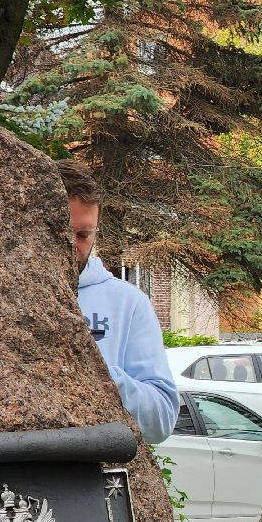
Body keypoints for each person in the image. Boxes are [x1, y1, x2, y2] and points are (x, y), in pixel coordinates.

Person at [59, 159, 178, 444]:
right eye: (64, 232)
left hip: (95, 475)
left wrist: (101, 373)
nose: (73, 245)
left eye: (83, 235)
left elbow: (161, 420)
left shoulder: (127, 302)